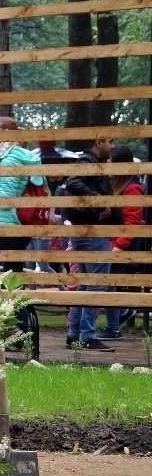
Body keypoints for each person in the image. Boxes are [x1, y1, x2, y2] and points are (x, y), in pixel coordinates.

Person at [0, 116, 45, 336]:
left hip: (9, 225)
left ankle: (15, 327)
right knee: (11, 276)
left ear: (7, 133)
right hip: (7, 224)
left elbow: (8, 195)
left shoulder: (11, 158)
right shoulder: (4, 156)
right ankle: (18, 327)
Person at [64, 134, 119, 352]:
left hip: (86, 232)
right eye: (110, 142)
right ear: (99, 142)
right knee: (95, 283)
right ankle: (87, 335)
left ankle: (74, 334)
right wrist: (98, 203)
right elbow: (73, 181)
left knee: (86, 284)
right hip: (92, 231)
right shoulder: (87, 163)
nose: (112, 146)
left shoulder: (91, 163)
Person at [97, 145, 143, 340]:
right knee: (108, 283)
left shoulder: (132, 189)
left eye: (110, 163)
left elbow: (132, 223)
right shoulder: (114, 186)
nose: (107, 166)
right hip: (112, 242)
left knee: (109, 284)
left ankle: (115, 327)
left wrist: (118, 246)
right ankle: (121, 315)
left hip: (122, 246)